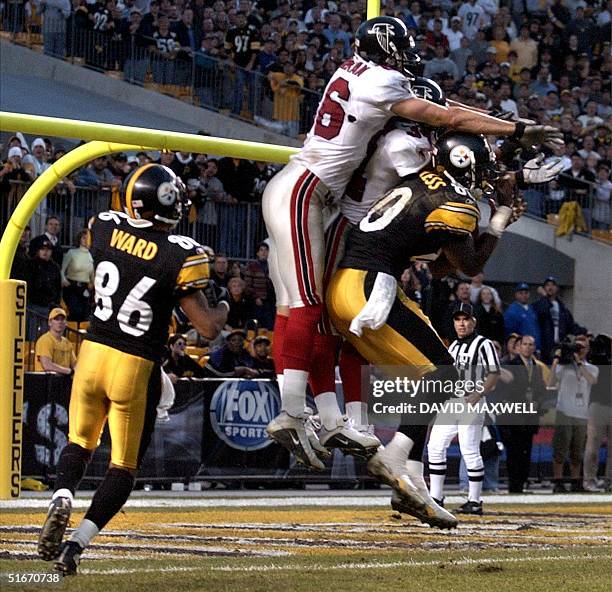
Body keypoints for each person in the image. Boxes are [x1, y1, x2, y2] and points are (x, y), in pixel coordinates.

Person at [263, 15, 562, 470]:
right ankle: (298, 411)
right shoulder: (404, 139)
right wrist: (513, 149)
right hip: (337, 215)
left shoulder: (363, 77)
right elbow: (448, 133)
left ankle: (339, 418)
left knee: (315, 317)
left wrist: (506, 153)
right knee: (310, 312)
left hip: (337, 208)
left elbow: (447, 113)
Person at [327, 132, 560, 527]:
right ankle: (395, 456)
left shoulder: (425, 179)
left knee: (434, 375)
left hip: (357, 283)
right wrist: (498, 222)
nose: (485, 174)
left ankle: (411, 482)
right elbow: (471, 265)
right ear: (464, 163)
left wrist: (512, 181)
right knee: (442, 374)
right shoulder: (454, 203)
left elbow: (440, 265)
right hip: (369, 288)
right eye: (481, 165)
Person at [37, 164, 228, 575]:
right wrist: (224, 302)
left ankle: (61, 497)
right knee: (123, 466)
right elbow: (209, 328)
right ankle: (74, 547)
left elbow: (124, 226)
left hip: (90, 355)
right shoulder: (182, 252)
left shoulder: (103, 226)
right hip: (134, 364)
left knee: (79, 443)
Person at [428, 303, 501, 515]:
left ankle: (475, 500)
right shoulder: (453, 346)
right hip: (451, 402)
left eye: (465, 319)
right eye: (458, 319)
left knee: (469, 450)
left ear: (473, 321)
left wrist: (478, 395)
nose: (461, 323)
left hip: (472, 402)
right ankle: (436, 496)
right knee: (435, 446)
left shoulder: (483, 344)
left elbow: (494, 373)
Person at [497, 334, 548, 493]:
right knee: (514, 451)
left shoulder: (537, 367)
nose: (527, 347)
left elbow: (541, 389)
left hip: (531, 416)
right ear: (518, 347)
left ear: (534, 347)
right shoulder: (510, 365)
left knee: (527, 450)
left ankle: (523, 483)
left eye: (530, 344)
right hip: (515, 415)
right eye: (524, 344)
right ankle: (515, 485)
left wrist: (537, 403)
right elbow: (507, 391)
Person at [548, 334, 599, 493]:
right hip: (564, 411)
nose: (579, 350)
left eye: (582, 347)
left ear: (588, 349)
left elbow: (592, 381)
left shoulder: (592, 367)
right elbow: (550, 383)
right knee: (561, 447)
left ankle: (576, 481)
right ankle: (558, 481)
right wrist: (557, 359)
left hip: (582, 413)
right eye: (576, 346)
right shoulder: (564, 366)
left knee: (578, 449)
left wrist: (578, 362)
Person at [583, 334, 611, 492]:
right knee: (593, 443)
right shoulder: (598, 353)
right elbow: (588, 358)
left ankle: (610, 481)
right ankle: (589, 479)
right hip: (598, 404)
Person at [533, 277, 584, 363]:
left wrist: (584, 331)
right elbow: (542, 311)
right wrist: (545, 297)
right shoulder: (539, 304)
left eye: (553, 285)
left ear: (557, 288)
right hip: (545, 347)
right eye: (547, 285)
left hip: (559, 345)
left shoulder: (562, 307)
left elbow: (570, 325)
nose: (550, 287)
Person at [25, 238, 62, 339]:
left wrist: (56, 303)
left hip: (49, 306)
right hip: (33, 306)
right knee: (33, 334)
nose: (45, 252)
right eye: (42, 249)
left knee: (48, 335)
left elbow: (58, 288)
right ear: (38, 251)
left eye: (48, 249)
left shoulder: (55, 267)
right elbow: (29, 286)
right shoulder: (31, 265)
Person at [61, 230, 95, 322]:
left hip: (86, 288)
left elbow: (92, 273)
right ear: (79, 239)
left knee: (85, 314)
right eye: (83, 238)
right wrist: (63, 279)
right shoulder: (72, 252)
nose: (85, 240)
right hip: (72, 286)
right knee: (74, 313)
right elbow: (62, 270)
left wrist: (92, 283)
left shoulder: (91, 255)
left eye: (87, 238)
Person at [34, 308, 77, 375]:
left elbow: (75, 365)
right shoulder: (45, 340)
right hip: (47, 381)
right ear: (50, 322)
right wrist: (69, 371)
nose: (60, 322)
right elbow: (47, 365)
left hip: (63, 381)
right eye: (56, 319)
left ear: (66, 323)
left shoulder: (68, 343)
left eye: (62, 319)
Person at [504, 283, 541, 349]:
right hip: (521, 348)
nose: (524, 295)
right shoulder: (512, 310)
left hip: (534, 346)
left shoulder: (531, 308)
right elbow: (510, 333)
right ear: (516, 294)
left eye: (526, 293)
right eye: (521, 293)